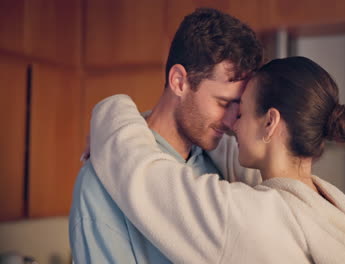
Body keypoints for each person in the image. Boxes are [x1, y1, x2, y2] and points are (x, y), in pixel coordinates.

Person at [89, 56, 345, 264]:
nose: (232, 124)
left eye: (242, 112)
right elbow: (225, 149)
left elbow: (141, 172)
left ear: (270, 123)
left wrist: (113, 110)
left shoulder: (251, 218)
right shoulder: (332, 209)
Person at [69, 8, 263, 263]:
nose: (231, 122)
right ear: (179, 81)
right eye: (222, 102)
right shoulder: (101, 182)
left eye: (237, 107)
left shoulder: (220, 171)